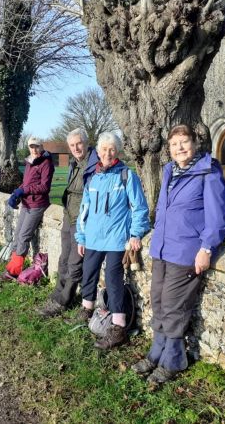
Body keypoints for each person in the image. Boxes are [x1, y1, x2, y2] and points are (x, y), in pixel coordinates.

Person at [131, 124, 225, 384]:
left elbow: (218, 217)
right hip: (162, 248)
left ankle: (174, 359)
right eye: (174, 144)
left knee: (174, 305)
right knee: (159, 300)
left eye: (184, 142)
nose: (180, 148)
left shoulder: (208, 171)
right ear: (169, 149)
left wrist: (206, 248)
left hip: (186, 251)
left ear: (195, 144)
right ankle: (157, 351)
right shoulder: (168, 171)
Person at [75, 132, 150, 350]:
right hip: (93, 238)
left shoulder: (127, 175)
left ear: (117, 152)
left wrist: (135, 234)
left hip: (117, 239)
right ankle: (87, 311)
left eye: (112, 150)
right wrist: (81, 236)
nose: (108, 153)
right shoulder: (93, 178)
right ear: (98, 152)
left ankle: (118, 328)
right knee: (88, 273)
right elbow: (84, 211)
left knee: (113, 279)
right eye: (104, 149)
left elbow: (139, 207)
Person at [36, 128, 99, 317]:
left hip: (82, 220)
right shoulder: (74, 162)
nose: (75, 148)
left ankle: (64, 300)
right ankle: (57, 294)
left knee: (74, 262)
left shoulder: (95, 163)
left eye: (79, 143)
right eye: (72, 145)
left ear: (86, 142)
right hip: (68, 215)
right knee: (63, 259)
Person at [0, 137, 54, 280]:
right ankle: (12, 266)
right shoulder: (30, 162)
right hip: (26, 203)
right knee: (18, 234)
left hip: (37, 204)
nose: (34, 149)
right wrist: (16, 193)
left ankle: (15, 271)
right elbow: (26, 184)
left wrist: (24, 191)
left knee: (24, 236)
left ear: (41, 146)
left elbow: (44, 187)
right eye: (31, 147)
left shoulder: (46, 162)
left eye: (37, 146)